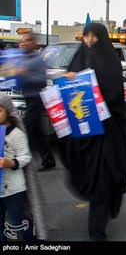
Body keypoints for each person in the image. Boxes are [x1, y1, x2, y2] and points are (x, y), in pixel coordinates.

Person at [60, 23, 126, 241]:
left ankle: (97, 231)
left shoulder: (110, 63)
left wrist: (93, 90)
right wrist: (70, 80)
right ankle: (101, 211)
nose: (89, 41)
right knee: (88, 175)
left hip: (106, 134)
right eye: (86, 36)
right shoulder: (77, 60)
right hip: (82, 135)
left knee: (102, 179)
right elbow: (66, 95)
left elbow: (114, 97)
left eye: (94, 37)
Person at [17, 32, 56, 171]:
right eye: (22, 41)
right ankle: (48, 159)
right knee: (36, 131)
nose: (23, 43)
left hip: (36, 98)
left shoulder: (37, 60)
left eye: (26, 40)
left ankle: (20, 160)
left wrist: (25, 74)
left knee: (26, 128)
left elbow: (41, 80)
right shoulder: (22, 59)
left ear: (33, 43)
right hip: (27, 98)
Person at [0, 93, 36, 241]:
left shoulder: (16, 134)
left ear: (8, 111)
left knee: (19, 219)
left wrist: (11, 162)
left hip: (14, 190)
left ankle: (31, 240)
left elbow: (25, 155)